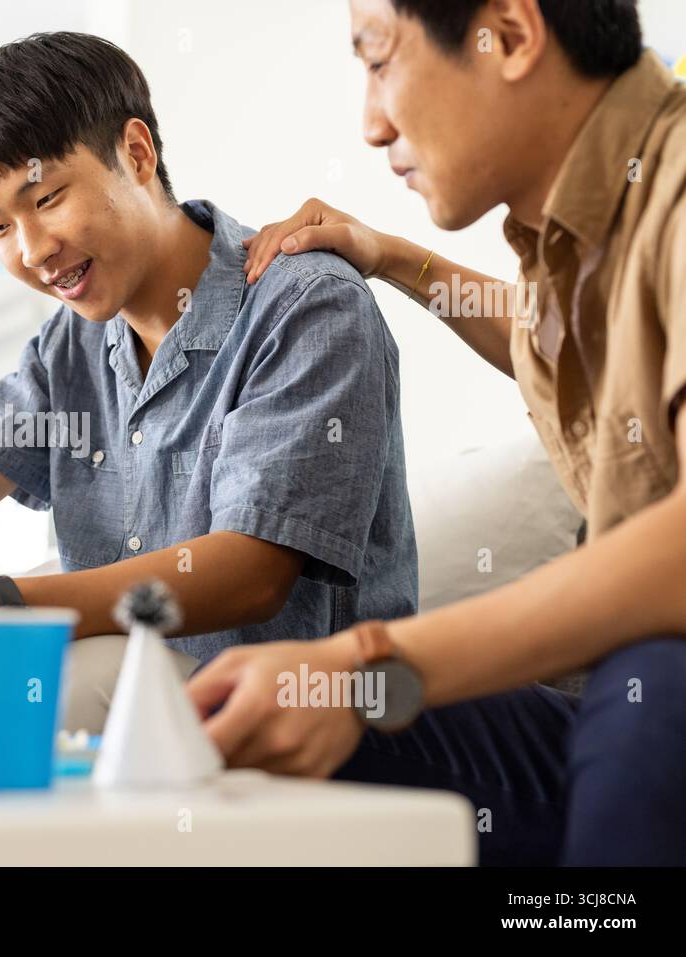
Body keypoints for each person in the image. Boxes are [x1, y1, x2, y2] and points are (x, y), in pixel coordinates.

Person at [0, 32, 417, 736]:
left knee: (83, 676)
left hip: (300, 711)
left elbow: (250, 573)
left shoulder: (305, 304)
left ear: (137, 155)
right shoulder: (68, 343)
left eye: (45, 198)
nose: (32, 250)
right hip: (124, 688)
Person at [193, 0, 686, 865]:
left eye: (379, 61)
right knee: (292, 732)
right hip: (629, 700)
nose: (373, 122)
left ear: (513, 34)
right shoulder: (587, 236)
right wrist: (390, 256)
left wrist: (370, 659)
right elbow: (551, 343)